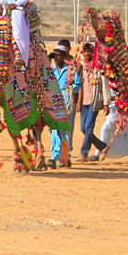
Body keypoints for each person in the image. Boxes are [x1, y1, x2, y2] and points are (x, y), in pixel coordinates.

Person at [47, 40, 79, 168]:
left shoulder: (71, 71)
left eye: (59, 55)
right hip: (53, 103)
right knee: (54, 129)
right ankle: (61, 156)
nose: (56, 58)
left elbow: (77, 85)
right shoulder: (50, 71)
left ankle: (59, 156)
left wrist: (71, 88)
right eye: (55, 56)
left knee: (63, 130)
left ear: (64, 56)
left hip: (66, 103)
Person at [75, 43, 108, 162]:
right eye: (85, 52)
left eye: (89, 51)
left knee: (88, 128)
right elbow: (80, 86)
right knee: (83, 128)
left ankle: (84, 153)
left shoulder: (97, 68)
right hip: (84, 101)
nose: (87, 54)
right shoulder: (81, 67)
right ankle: (102, 146)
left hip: (94, 101)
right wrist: (78, 102)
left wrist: (106, 102)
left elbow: (104, 84)